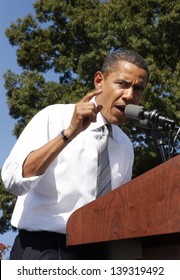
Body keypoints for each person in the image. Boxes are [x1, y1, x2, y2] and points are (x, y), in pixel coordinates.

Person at [1, 49, 149, 260]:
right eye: (123, 84)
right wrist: (69, 134)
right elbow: (13, 181)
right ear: (99, 81)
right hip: (45, 249)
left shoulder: (125, 145)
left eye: (138, 89)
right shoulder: (54, 117)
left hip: (98, 254)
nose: (130, 96)